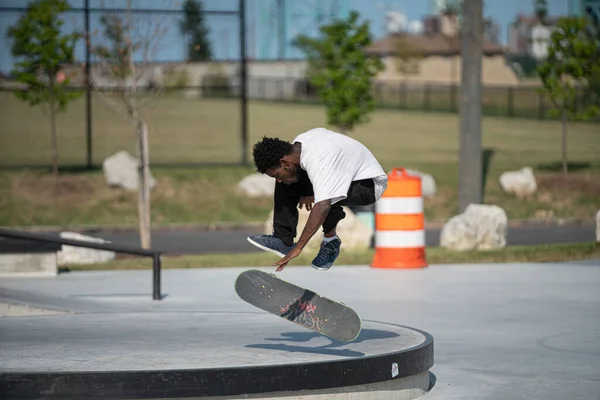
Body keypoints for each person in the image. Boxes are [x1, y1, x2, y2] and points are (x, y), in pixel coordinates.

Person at [247, 127, 388, 272]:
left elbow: (323, 205)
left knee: (326, 198)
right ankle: (283, 239)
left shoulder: (319, 160)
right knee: (285, 182)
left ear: (285, 163)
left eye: (275, 174)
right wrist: (306, 190)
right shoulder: (300, 144)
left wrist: (299, 248)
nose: (278, 180)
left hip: (367, 185)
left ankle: (330, 242)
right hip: (341, 170)